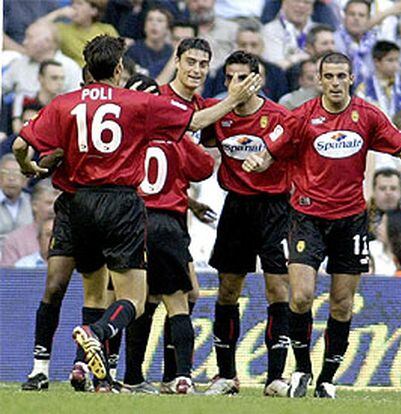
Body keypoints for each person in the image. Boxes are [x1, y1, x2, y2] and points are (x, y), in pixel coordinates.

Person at [13, 34, 261, 388]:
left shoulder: (65, 103)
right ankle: (96, 332)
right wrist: (233, 99)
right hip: (122, 204)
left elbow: (23, 144)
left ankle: (82, 371)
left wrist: (30, 168)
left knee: (92, 291)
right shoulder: (138, 103)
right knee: (135, 299)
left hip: (79, 202)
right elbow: (193, 123)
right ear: (118, 69)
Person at [243, 52, 401, 398]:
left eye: (341, 76)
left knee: (342, 304)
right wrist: (258, 160)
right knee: (302, 296)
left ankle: (327, 379)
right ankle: (302, 369)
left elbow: (400, 144)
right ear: (319, 81)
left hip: (350, 221)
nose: (335, 83)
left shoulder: (366, 115)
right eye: (329, 76)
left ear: (351, 79)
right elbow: (269, 149)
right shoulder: (302, 116)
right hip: (306, 217)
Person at [200, 51, 293, 397]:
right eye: (229, 77)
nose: (234, 84)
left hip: (275, 209)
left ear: (258, 79)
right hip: (236, 207)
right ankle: (226, 376)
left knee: (277, 289)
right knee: (228, 289)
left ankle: (275, 378)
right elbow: (201, 134)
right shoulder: (218, 115)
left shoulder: (280, 116)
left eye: (242, 77)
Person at [119, 73, 215, 394]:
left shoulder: (123, 135)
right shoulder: (172, 135)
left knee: (138, 299)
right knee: (179, 300)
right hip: (167, 223)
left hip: (130, 222)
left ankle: (130, 376)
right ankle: (180, 376)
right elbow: (203, 167)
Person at [1, 181, 59, 266]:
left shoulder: (71, 236)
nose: (54, 208)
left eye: (57, 203)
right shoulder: (15, 240)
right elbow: (7, 276)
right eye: (49, 203)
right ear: (34, 205)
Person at [12, 60, 66, 134]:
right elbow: (17, 130)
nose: (60, 83)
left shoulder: (65, 105)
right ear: (40, 78)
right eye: (54, 78)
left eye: (62, 78)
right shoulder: (24, 99)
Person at [126, 5, 174, 78]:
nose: (154, 24)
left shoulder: (171, 52)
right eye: (150, 19)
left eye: (160, 20)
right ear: (144, 27)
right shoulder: (133, 50)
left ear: (168, 29)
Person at [0, 154, 32, 245]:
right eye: (6, 172)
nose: (11, 178)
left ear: (25, 180)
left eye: (17, 173)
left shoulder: (32, 203)